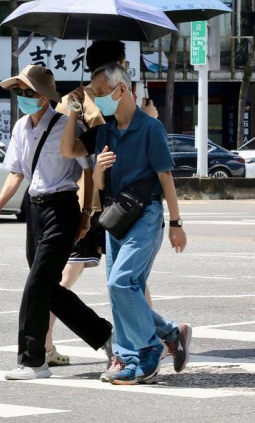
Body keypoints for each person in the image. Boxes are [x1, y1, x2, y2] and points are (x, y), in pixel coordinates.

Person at [64, 63, 191, 385]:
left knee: (122, 283)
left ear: (121, 90)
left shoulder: (150, 129)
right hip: (115, 216)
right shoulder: (106, 132)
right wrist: (97, 169)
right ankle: (144, 347)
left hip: (146, 214)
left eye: (100, 93)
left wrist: (176, 222)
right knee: (118, 288)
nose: (97, 98)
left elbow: (165, 176)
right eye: (94, 93)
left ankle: (150, 347)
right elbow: (89, 171)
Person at [0, 65, 113, 381]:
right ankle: (105, 335)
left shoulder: (66, 126)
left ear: (44, 96)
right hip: (34, 208)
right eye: (20, 91)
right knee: (46, 287)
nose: (24, 97)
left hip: (63, 207)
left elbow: (86, 168)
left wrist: (85, 214)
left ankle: (33, 360)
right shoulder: (19, 128)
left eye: (30, 92)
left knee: (37, 284)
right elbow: (16, 173)